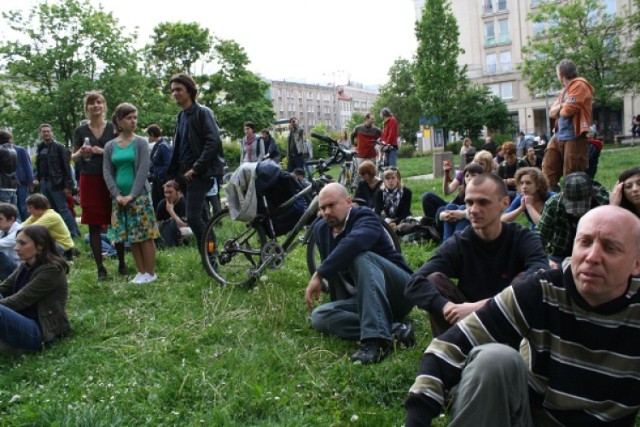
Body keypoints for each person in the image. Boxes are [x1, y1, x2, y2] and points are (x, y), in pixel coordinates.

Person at [405, 205, 640, 427]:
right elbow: (448, 347)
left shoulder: (520, 238)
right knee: (494, 359)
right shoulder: (543, 290)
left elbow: (536, 261)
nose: (591, 257)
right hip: (533, 419)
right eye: (585, 242)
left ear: (636, 264)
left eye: (610, 247)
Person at [405, 174, 549, 337]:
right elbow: (414, 283)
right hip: (466, 325)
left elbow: (542, 274)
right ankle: (450, 350)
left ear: (505, 203)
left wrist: (484, 305)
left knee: (526, 279)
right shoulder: (460, 242)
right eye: (469, 202)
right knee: (434, 279)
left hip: (510, 323)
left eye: (483, 202)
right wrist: (446, 307)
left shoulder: (522, 237)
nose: (473, 210)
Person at [305, 183, 415, 364]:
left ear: (348, 202)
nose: (326, 212)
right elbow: (336, 277)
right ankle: (396, 330)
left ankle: (377, 341)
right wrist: (339, 302)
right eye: (322, 208)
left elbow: (354, 243)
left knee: (362, 257)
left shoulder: (366, 217)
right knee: (319, 316)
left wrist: (319, 274)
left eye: (331, 205)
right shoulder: (321, 229)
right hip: (368, 299)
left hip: (400, 292)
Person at [167, 73, 225, 254]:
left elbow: (213, 141)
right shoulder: (181, 116)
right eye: (172, 90)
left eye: (179, 89)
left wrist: (197, 167)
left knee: (192, 218)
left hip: (200, 174)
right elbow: (179, 147)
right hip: (184, 175)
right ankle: (211, 253)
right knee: (202, 217)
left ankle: (210, 255)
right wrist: (174, 176)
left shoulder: (203, 112)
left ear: (190, 90)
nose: (175, 93)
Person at [72, 91, 127, 280]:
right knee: (94, 225)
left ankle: (122, 263)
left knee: (115, 220)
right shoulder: (81, 131)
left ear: (104, 106)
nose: (95, 105)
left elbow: (122, 152)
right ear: (87, 107)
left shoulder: (113, 128)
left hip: (111, 178)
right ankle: (100, 269)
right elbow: (73, 157)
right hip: (89, 179)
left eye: (99, 102)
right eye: (91, 103)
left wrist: (100, 150)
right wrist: (81, 153)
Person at [103, 102, 159, 284]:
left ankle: (150, 273)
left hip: (139, 196)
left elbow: (143, 171)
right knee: (131, 236)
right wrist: (117, 195)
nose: (133, 120)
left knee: (145, 235)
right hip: (119, 198)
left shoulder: (141, 142)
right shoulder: (110, 145)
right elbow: (107, 172)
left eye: (135, 117)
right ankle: (141, 272)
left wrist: (131, 196)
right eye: (129, 117)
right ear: (119, 121)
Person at [0, 225, 72, 355]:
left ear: (40, 246)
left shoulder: (52, 270)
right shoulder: (26, 265)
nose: (16, 248)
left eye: (22, 243)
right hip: (23, 318)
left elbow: (19, 300)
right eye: (17, 243)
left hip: (40, 329)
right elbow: (4, 289)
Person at [537, 171, 609, 268]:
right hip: (561, 254)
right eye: (571, 207)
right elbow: (539, 236)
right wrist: (546, 260)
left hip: (595, 253)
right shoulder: (553, 205)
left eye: (581, 207)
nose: (576, 212)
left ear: (591, 196)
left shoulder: (604, 204)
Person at [542, 59, 594, 189]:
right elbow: (551, 113)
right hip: (558, 136)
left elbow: (567, 111)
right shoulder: (564, 91)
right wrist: (562, 105)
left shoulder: (580, 85)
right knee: (548, 171)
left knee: (572, 177)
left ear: (560, 74)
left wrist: (560, 108)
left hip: (574, 138)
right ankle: (551, 202)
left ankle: (570, 206)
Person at [33, 124, 79, 238]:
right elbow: (39, 166)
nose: (46, 133)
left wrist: (67, 186)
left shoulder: (59, 147)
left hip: (57, 183)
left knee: (63, 208)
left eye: (48, 131)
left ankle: (74, 233)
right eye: (44, 132)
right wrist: (36, 178)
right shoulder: (40, 147)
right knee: (51, 211)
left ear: (52, 132)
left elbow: (66, 167)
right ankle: (60, 233)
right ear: (41, 133)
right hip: (44, 183)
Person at [436, 162, 484, 241]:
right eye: (467, 175)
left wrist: (462, 214)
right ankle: (447, 244)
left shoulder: (484, 193)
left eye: (473, 175)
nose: (469, 178)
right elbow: (450, 202)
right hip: (460, 220)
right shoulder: (463, 191)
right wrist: (445, 215)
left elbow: (482, 214)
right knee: (449, 207)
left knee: (462, 207)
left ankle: (457, 244)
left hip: (477, 228)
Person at [22, 194, 75, 260]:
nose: (28, 211)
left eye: (30, 208)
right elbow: (21, 227)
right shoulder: (36, 215)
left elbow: (30, 230)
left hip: (62, 247)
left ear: (39, 207)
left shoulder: (50, 216)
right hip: (52, 243)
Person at [3, 132, 32, 221]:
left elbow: (28, 166)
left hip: (21, 183)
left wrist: (30, 181)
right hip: (12, 184)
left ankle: (28, 226)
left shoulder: (20, 150)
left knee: (23, 207)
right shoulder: (7, 151)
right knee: (15, 208)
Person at [156, 180, 191, 248]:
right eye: (166, 192)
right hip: (165, 230)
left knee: (187, 232)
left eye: (170, 192)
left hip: (181, 229)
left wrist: (171, 212)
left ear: (178, 192)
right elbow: (157, 222)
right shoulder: (162, 203)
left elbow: (184, 225)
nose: (168, 195)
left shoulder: (183, 203)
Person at [146, 124, 173, 211]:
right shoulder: (157, 145)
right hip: (156, 177)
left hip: (162, 179)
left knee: (162, 200)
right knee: (156, 200)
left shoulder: (163, 146)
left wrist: (161, 175)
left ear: (152, 134)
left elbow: (168, 163)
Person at [0, 203, 21, 280]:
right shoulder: (3, 230)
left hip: (20, 268)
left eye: (0, 219)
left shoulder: (19, 232)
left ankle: (8, 287)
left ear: (11, 219)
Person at [0, 130, 18, 207]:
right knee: (12, 213)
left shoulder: (1, 151)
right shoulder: (13, 150)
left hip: (3, 186)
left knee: (4, 213)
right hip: (12, 185)